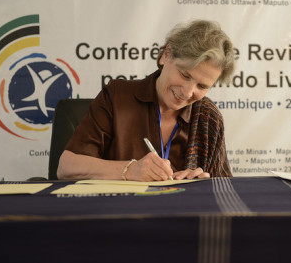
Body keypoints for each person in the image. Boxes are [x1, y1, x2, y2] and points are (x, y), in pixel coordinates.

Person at [57, 20, 235, 181]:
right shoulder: (117, 96)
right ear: (166, 54)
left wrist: (204, 184)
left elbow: (225, 190)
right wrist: (129, 170)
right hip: (116, 212)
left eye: (202, 86)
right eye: (184, 75)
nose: (188, 93)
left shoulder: (208, 117)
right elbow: (66, 167)